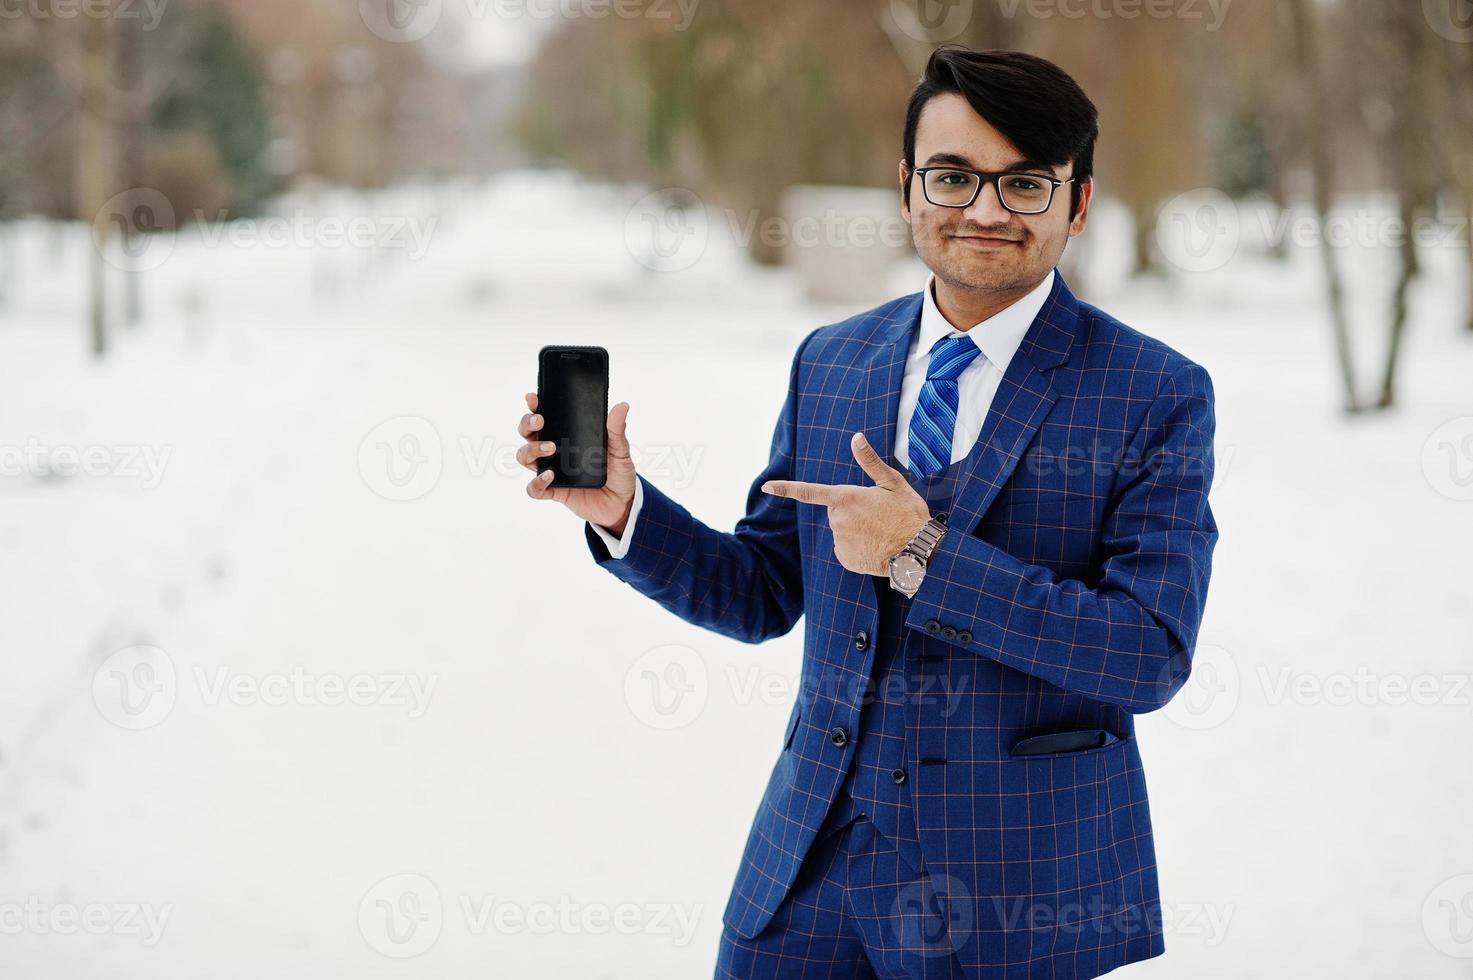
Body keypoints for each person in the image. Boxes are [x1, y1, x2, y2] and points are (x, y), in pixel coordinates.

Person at [516, 45, 1218, 980]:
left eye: (1025, 185)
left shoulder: (1152, 393)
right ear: (906, 186)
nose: (983, 210)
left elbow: (1146, 650)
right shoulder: (832, 360)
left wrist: (922, 552)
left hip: (1014, 896)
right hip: (807, 873)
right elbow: (764, 590)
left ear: (1077, 203)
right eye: (953, 176)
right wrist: (626, 510)